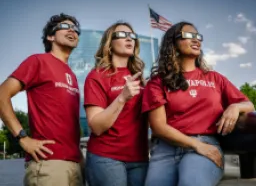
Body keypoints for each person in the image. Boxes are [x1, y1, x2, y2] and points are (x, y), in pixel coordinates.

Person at [142, 21, 255, 186]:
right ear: (173, 43)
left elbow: (249, 104)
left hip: (206, 143)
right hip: (166, 149)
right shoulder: (157, 82)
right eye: (188, 36)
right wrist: (195, 145)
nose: (196, 40)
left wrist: (235, 106)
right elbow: (158, 126)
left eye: (198, 36)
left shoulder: (215, 78)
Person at [0, 13, 84, 186]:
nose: (72, 30)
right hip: (48, 164)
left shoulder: (72, 76)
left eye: (75, 29)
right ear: (50, 36)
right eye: (64, 27)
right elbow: (2, 94)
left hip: (75, 164)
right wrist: (22, 138)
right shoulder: (38, 61)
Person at [84, 22, 149, 186]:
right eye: (122, 35)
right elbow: (96, 126)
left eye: (132, 36)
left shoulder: (141, 78)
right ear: (109, 44)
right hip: (106, 158)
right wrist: (122, 98)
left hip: (140, 158)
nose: (129, 39)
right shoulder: (97, 76)